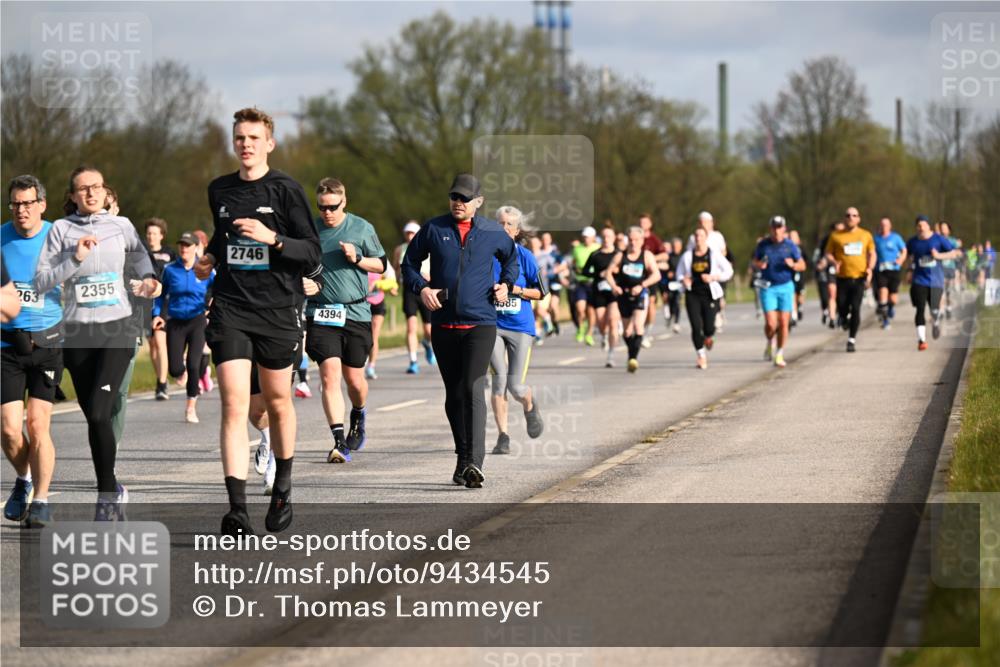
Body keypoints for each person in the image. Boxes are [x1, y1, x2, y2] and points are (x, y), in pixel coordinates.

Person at [196, 107, 321, 535]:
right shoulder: (220, 189)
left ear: (269, 142)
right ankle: (236, 509)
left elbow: (312, 252)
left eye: (253, 137)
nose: (246, 144)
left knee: (277, 402)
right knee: (233, 404)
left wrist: (273, 239)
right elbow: (222, 233)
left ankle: (283, 488)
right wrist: (211, 255)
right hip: (231, 307)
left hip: (278, 311)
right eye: (239, 138)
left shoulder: (286, 190)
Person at [35, 165, 160, 520]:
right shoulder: (60, 230)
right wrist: (75, 258)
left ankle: (105, 496)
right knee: (94, 416)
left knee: (103, 411)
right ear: (72, 195)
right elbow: (42, 281)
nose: (90, 193)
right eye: (82, 189)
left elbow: (138, 254)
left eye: (97, 187)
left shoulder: (120, 226)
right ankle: (114, 487)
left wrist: (149, 279)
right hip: (77, 334)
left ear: (106, 192)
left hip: (117, 330)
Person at [402, 173, 518, 489]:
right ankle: (462, 457)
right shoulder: (434, 228)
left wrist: (505, 285)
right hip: (443, 325)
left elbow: (512, 261)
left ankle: (474, 463)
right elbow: (408, 264)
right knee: (454, 394)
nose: (458, 203)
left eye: (465, 198)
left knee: (472, 387)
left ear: (478, 202)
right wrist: (421, 288)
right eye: (455, 197)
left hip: (480, 324)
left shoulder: (493, 232)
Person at [303, 177, 386, 464]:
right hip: (321, 312)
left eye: (333, 207)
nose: (327, 212)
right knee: (329, 376)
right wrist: (304, 283)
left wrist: (358, 258)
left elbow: (382, 265)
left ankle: (359, 413)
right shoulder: (309, 229)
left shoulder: (362, 228)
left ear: (344, 202)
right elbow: (294, 262)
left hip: (356, 313)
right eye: (322, 207)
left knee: (354, 379)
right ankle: (339, 441)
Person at [1, 175, 63, 527]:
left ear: (42, 203)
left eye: (27, 203)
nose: (21, 210)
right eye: (15, 203)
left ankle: (40, 499)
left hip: (48, 344)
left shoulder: (59, 237)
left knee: (38, 425)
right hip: (6, 344)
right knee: (9, 431)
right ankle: (23, 480)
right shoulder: (1, 238)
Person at [489, 206, 545, 455]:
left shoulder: (525, 257)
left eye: (508, 225)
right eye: (499, 224)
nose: (503, 229)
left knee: (516, 386)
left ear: (516, 230)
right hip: (493, 325)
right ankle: (503, 436)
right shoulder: (484, 256)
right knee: (498, 381)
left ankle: (529, 404)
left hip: (521, 328)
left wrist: (516, 290)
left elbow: (541, 292)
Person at [152, 232, 213, 424]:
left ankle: (190, 407)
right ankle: (181, 370)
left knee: (194, 366)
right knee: (175, 369)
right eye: (181, 245)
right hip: (175, 322)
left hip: (197, 321)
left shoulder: (205, 269)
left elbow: (218, 289)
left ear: (195, 248)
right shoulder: (170, 270)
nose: (184, 249)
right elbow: (161, 295)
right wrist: (157, 315)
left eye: (187, 245)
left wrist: (212, 308)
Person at [606, 226, 662, 373]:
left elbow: (656, 275)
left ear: (642, 240)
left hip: (641, 294)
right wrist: (614, 286)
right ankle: (632, 354)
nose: (633, 242)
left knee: (638, 326)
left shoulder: (647, 256)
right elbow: (608, 273)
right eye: (630, 239)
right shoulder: (620, 256)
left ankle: (633, 359)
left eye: (636, 240)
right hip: (623, 295)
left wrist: (642, 285)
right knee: (626, 332)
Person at [753, 216, 806, 368]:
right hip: (768, 286)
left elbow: (803, 264)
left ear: (784, 229)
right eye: (774, 228)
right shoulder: (763, 245)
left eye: (779, 227)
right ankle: (770, 341)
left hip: (785, 286)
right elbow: (754, 262)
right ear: (770, 229)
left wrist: (794, 265)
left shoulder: (790, 246)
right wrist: (759, 264)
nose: (777, 231)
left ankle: (780, 353)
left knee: (784, 322)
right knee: (771, 323)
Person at [677, 227, 733, 369]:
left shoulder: (714, 254)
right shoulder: (688, 256)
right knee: (696, 327)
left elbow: (729, 271)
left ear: (706, 237)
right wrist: (684, 280)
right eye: (696, 236)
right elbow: (679, 273)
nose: (698, 238)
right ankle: (701, 356)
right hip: (692, 294)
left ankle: (708, 336)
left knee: (709, 327)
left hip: (709, 294)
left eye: (701, 235)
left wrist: (714, 277)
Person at [825, 207, 876, 353]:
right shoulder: (836, 236)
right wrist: (834, 262)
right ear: (844, 218)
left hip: (859, 278)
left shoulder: (865, 235)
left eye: (854, 215)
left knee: (855, 307)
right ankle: (843, 318)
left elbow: (872, 253)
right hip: (842, 278)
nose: (851, 218)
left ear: (858, 218)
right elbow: (828, 253)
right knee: (841, 305)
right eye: (848, 215)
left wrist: (870, 268)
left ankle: (851, 340)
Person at [905, 215, 960, 350]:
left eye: (923, 225)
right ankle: (921, 340)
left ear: (928, 226)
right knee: (920, 309)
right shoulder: (912, 242)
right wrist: (909, 270)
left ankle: (935, 321)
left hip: (936, 281)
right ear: (916, 227)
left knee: (934, 310)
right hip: (919, 280)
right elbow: (908, 256)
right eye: (918, 225)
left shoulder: (938, 239)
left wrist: (939, 256)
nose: (921, 227)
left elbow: (954, 253)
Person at [392, 221, 435, 374]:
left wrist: (432, 277)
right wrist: (394, 284)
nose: (410, 236)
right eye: (407, 233)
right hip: (409, 290)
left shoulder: (429, 247)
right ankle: (413, 360)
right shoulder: (400, 249)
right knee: (411, 327)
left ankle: (428, 344)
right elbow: (396, 269)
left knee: (429, 330)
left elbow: (437, 267)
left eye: (413, 233)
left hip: (426, 290)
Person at [144, 218, 176, 400]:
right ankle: (160, 378)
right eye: (148, 233)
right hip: (145, 302)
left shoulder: (169, 254)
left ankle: (162, 384)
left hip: (164, 302)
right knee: (152, 345)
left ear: (161, 235)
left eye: (155, 233)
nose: (151, 236)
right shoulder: (142, 252)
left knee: (160, 339)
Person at [582, 227, 621, 367]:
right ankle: (604, 335)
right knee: (601, 322)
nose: (606, 239)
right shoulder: (595, 254)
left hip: (614, 292)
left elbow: (625, 271)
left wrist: (616, 271)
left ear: (614, 237)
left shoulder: (619, 254)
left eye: (609, 236)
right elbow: (585, 271)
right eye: (604, 236)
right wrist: (597, 275)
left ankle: (611, 355)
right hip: (599, 291)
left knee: (613, 321)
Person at [687, 211, 728, 332]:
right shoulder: (693, 237)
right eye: (701, 222)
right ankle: (709, 319)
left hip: (715, 272)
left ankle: (718, 313)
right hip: (699, 272)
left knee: (718, 296)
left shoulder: (717, 236)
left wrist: (719, 262)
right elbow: (689, 255)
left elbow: (724, 251)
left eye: (706, 222)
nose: (703, 224)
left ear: (711, 223)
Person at [873, 216, 908, 330]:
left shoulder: (896, 237)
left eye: (886, 225)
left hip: (894, 269)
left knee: (893, 298)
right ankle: (885, 320)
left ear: (890, 226)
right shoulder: (876, 239)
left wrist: (901, 260)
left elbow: (904, 250)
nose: (884, 227)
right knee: (883, 293)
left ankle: (890, 307)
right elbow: (871, 252)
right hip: (880, 270)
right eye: (882, 225)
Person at [639, 214, 667, 347]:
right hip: (635, 276)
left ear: (650, 224)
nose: (642, 224)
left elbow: (665, 255)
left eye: (645, 222)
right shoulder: (634, 238)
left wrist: (651, 260)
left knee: (650, 303)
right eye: (641, 222)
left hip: (650, 276)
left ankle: (647, 332)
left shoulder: (654, 239)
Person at [365, 264, 398, 379]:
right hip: (360, 304)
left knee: (374, 335)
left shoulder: (379, 258)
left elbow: (392, 282)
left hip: (377, 302)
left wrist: (378, 284)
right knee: (361, 334)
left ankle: (371, 366)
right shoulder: (355, 257)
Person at [570, 226, 600, 345]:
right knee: (580, 308)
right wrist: (575, 269)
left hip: (593, 282)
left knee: (591, 311)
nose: (586, 239)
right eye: (584, 236)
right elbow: (573, 262)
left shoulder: (598, 248)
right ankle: (581, 327)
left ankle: (589, 334)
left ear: (593, 237)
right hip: (581, 282)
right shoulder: (577, 249)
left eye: (588, 237)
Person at [814, 221, 844, 328]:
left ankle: (842, 314)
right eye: (837, 229)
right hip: (831, 268)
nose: (839, 232)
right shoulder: (826, 240)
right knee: (832, 294)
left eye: (841, 229)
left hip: (845, 269)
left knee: (842, 295)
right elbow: (822, 254)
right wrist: (821, 263)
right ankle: (832, 318)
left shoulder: (848, 238)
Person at [938, 221, 961, 319]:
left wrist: (957, 252)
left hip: (950, 268)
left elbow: (958, 250)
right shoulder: (937, 240)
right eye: (941, 227)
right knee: (941, 290)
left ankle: (949, 307)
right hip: (940, 268)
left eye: (945, 227)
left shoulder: (952, 241)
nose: (943, 229)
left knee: (948, 291)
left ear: (949, 230)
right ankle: (941, 310)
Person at [663, 237, 683, 333]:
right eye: (674, 246)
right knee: (670, 300)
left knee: (677, 301)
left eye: (677, 246)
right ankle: (670, 315)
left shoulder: (683, 257)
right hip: (670, 283)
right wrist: (668, 272)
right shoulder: (668, 256)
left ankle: (676, 323)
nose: (675, 248)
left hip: (679, 283)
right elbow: (665, 268)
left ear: (680, 247)